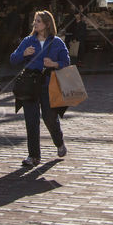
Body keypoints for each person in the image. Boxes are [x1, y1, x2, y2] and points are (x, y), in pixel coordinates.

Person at [9, 10, 70, 167]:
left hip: (49, 84)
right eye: (34, 21)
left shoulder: (57, 42)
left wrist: (54, 64)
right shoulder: (28, 41)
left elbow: (66, 61)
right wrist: (24, 53)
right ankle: (34, 156)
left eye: (38, 21)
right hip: (30, 85)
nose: (35, 24)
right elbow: (13, 59)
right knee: (31, 120)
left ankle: (59, 141)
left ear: (47, 24)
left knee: (50, 117)